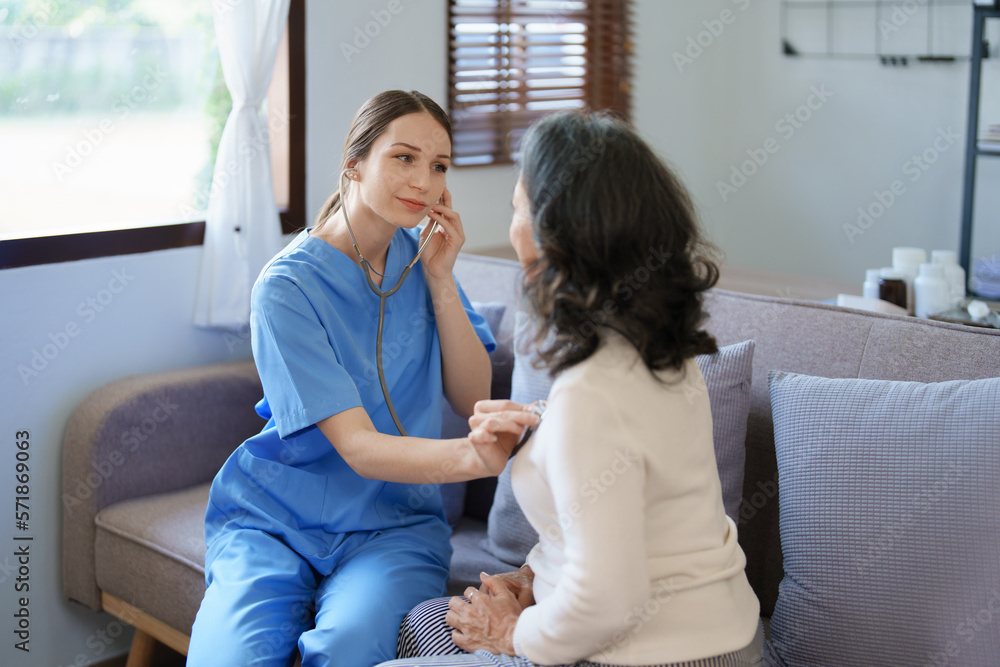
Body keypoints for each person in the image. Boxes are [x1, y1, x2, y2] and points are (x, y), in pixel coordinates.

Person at [377, 110, 763, 667]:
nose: (512, 229)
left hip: (657, 652)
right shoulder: (655, 346)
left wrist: (514, 633)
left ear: (553, 235)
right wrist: (535, 571)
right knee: (425, 621)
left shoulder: (593, 390)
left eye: (516, 209)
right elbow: (632, 493)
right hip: (717, 634)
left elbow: (609, 600)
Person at [187, 90, 540, 667]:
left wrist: (441, 280)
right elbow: (355, 446)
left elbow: (473, 396)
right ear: (354, 163)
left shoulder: (422, 260)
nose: (423, 180)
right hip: (276, 520)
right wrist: (474, 458)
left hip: (395, 526)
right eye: (403, 158)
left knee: (348, 648)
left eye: (439, 166)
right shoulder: (287, 289)